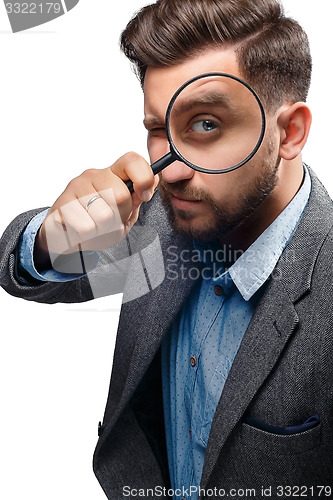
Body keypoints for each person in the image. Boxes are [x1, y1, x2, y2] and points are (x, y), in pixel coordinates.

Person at [1, 0, 332, 498]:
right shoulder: (159, 225)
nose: (171, 168)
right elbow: (19, 270)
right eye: (158, 128)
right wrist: (57, 236)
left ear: (289, 132)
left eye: (206, 125)